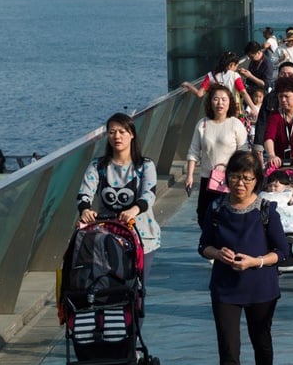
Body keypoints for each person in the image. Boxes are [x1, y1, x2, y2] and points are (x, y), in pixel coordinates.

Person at [198, 151, 287, 365]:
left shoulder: (266, 211)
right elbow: (203, 246)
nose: (240, 183)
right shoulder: (217, 208)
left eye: (247, 178)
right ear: (227, 177)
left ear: (257, 180)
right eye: (235, 176)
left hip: (261, 289)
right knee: (228, 350)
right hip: (225, 289)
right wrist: (218, 254)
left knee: (262, 343)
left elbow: (282, 251)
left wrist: (255, 262)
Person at [78, 113, 161, 276]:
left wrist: (133, 210)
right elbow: (84, 193)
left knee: (136, 288)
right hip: (108, 235)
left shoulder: (145, 166)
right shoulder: (98, 166)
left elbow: (148, 195)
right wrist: (85, 210)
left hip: (142, 236)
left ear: (132, 134)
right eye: (112, 132)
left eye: (122, 131)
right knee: (109, 285)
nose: (117, 136)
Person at [185, 85, 250, 226]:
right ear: (210, 102)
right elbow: (193, 151)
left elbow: (243, 151)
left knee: (228, 216)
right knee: (204, 215)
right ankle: (210, 245)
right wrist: (189, 176)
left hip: (230, 180)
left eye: (224, 99)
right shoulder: (202, 124)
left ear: (230, 103)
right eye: (216, 99)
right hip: (207, 179)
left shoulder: (235, 124)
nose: (220, 103)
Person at [181, 51, 257, 117]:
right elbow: (243, 92)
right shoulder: (235, 76)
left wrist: (188, 85)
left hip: (216, 111)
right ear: (231, 65)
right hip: (232, 110)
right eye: (236, 66)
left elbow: (199, 94)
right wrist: (253, 108)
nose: (236, 69)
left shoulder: (210, 75)